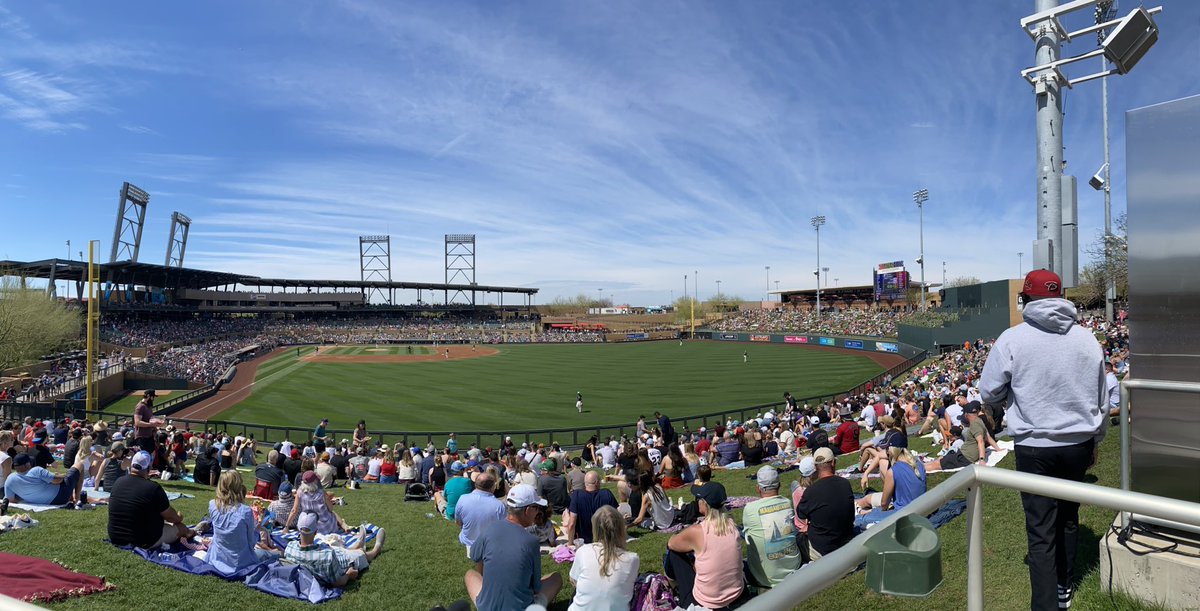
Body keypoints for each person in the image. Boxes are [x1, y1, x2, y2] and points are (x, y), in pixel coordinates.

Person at [978, 269, 1107, 611]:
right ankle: (1064, 587)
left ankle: (1047, 605)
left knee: (1040, 530)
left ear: (1026, 299)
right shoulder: (1086, 338)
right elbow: (1102, 399)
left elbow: (989, 390)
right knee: (1067, 518)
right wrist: (1096, 441)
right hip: (1078, 445)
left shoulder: (1012, 338)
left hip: (1035, 447)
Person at [465, 484, 563, 611]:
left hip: (486, 607)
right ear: (527, 510)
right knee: (556, 578)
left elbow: (475, 556)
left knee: (470, 574)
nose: (538, 511)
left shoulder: (490, 528)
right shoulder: (531, 541)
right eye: (536, 508)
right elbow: (536, 587)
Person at [666, 480, 744, 610]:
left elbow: (671, 543)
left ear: (705, 505)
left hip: (706, 601)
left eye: (698, 499)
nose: (697, 501)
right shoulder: (731, 524)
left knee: (674, 553)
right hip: (735, 593)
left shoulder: (697, 531)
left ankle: (672, 584)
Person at [107, 451, 192, 548]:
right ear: (148, 468)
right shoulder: (153, 488)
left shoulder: (118, 481)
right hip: (143, 540)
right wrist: (179, 518)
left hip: (115, 536)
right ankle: (194, 532)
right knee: (182, 528)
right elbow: (171, 517)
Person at [204, 471, 280, 572]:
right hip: (240, 563)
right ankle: (281, 554)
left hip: (217, 558)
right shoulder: (245, 511)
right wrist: (258, 526)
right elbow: (251, 542)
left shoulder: (212, 505)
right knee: (271, 555)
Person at [285, 512, 386, 587]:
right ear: (316, 532)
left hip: (326, 555)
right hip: (344, 563)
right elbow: (338, 582)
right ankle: (376, 549)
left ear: (298, 529)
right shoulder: (327, 556)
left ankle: (357, 545)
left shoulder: (289, 548)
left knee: (336, 547)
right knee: (363, 554)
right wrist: (348, 575)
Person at [568, 505, 640, 611]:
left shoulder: (583, 551)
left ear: (595, 528)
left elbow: (573, 580)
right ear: (621, 529)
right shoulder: (632, 559)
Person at [743, 466, 801, 588]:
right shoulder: (786, 502)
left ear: (758, 488)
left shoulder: (750, 509)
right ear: (779, 485)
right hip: (794, 566)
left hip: (765, 577)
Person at [795, 448, 854, 560]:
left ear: (815, 467)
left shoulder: (811, 491)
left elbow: (801, 514)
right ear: (833, 462)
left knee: (798, 539)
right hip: (846, 541)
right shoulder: (845, 484)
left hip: (823, 548)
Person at [855, 447, 927, 527]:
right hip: (922, 508)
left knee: (858, 520)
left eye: (887, 448)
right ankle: (860, 509)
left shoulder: (893, 471)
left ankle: (859, 511)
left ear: (892, 450)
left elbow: (884, 504)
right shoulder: (919, 465)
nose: (886, 451)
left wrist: (879, 512)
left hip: (903, 514)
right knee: (868, 503)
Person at [925, 403, 1002, 471]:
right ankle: (920, 467)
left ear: (966, 414)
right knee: (940, 459)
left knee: (936, 464)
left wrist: (982, 460)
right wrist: (998, 449)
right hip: (963, 453)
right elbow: (988, 437)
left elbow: (981, 441)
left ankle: (918, 470)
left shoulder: (975, 425)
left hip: (965, 457)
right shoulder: (979, 420)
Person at [5, 451, 85, 507]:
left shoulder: (10, 479)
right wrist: (63, 475)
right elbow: (58, 481)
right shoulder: (36, 470)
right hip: (62, 495)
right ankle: (77, 498)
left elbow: (11, 499)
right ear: (27, 464)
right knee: (80, 464)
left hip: (46, 501)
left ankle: (74, 497)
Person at [455, 471, 506, 553]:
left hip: (469, 540)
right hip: (490, 543)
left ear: (475, 484)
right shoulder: (499, 505)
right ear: (493, 487)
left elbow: (458, 522)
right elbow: (503, 530)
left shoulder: (462, 499)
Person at [565, 470, 618, 545]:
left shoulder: (576, 495)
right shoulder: (607, 493)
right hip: (604, 539)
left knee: (566, 515)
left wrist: (570, 544)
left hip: (583, 540)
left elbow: (571, 524)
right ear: (597, 482)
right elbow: (616, 518)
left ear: (585, 483)